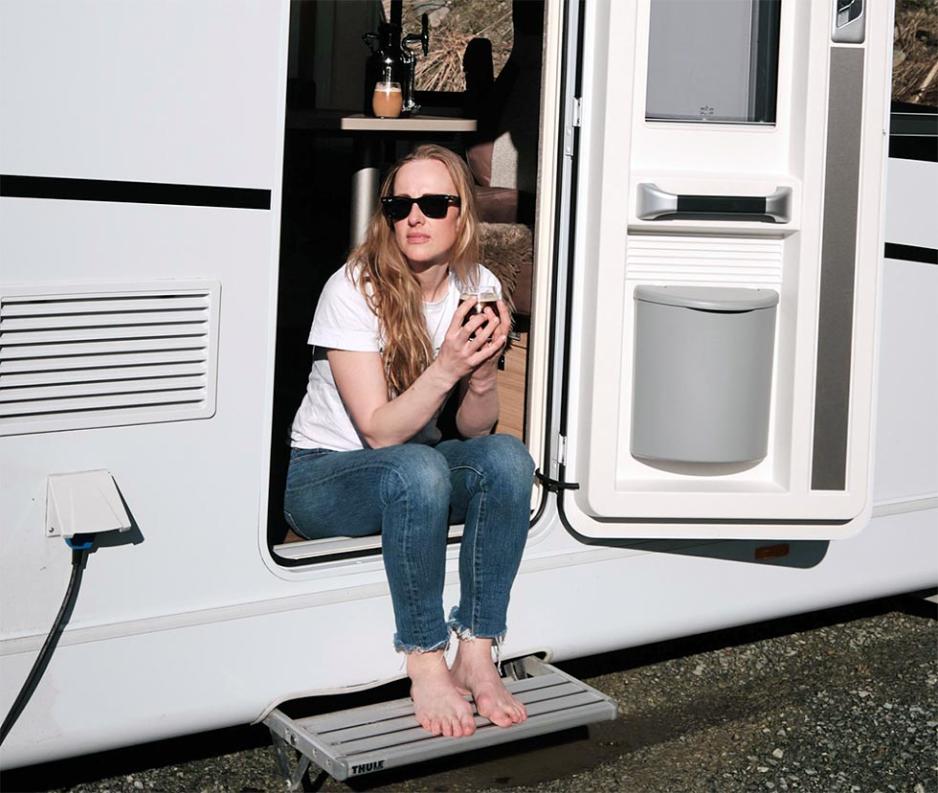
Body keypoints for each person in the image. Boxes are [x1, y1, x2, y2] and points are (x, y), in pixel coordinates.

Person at [284, 144, 535, 738]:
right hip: (324, 476)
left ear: (462, 214)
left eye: (433, 203)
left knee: (507, 458)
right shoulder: (353, 287)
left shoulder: (478, 284)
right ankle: (425, 657)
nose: (415, 217)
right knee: (416, 467)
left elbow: (475, 428)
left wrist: (480, 374)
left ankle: (477, 650)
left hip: (414, 470)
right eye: (400, 205)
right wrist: (448, 366)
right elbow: (379, 431)